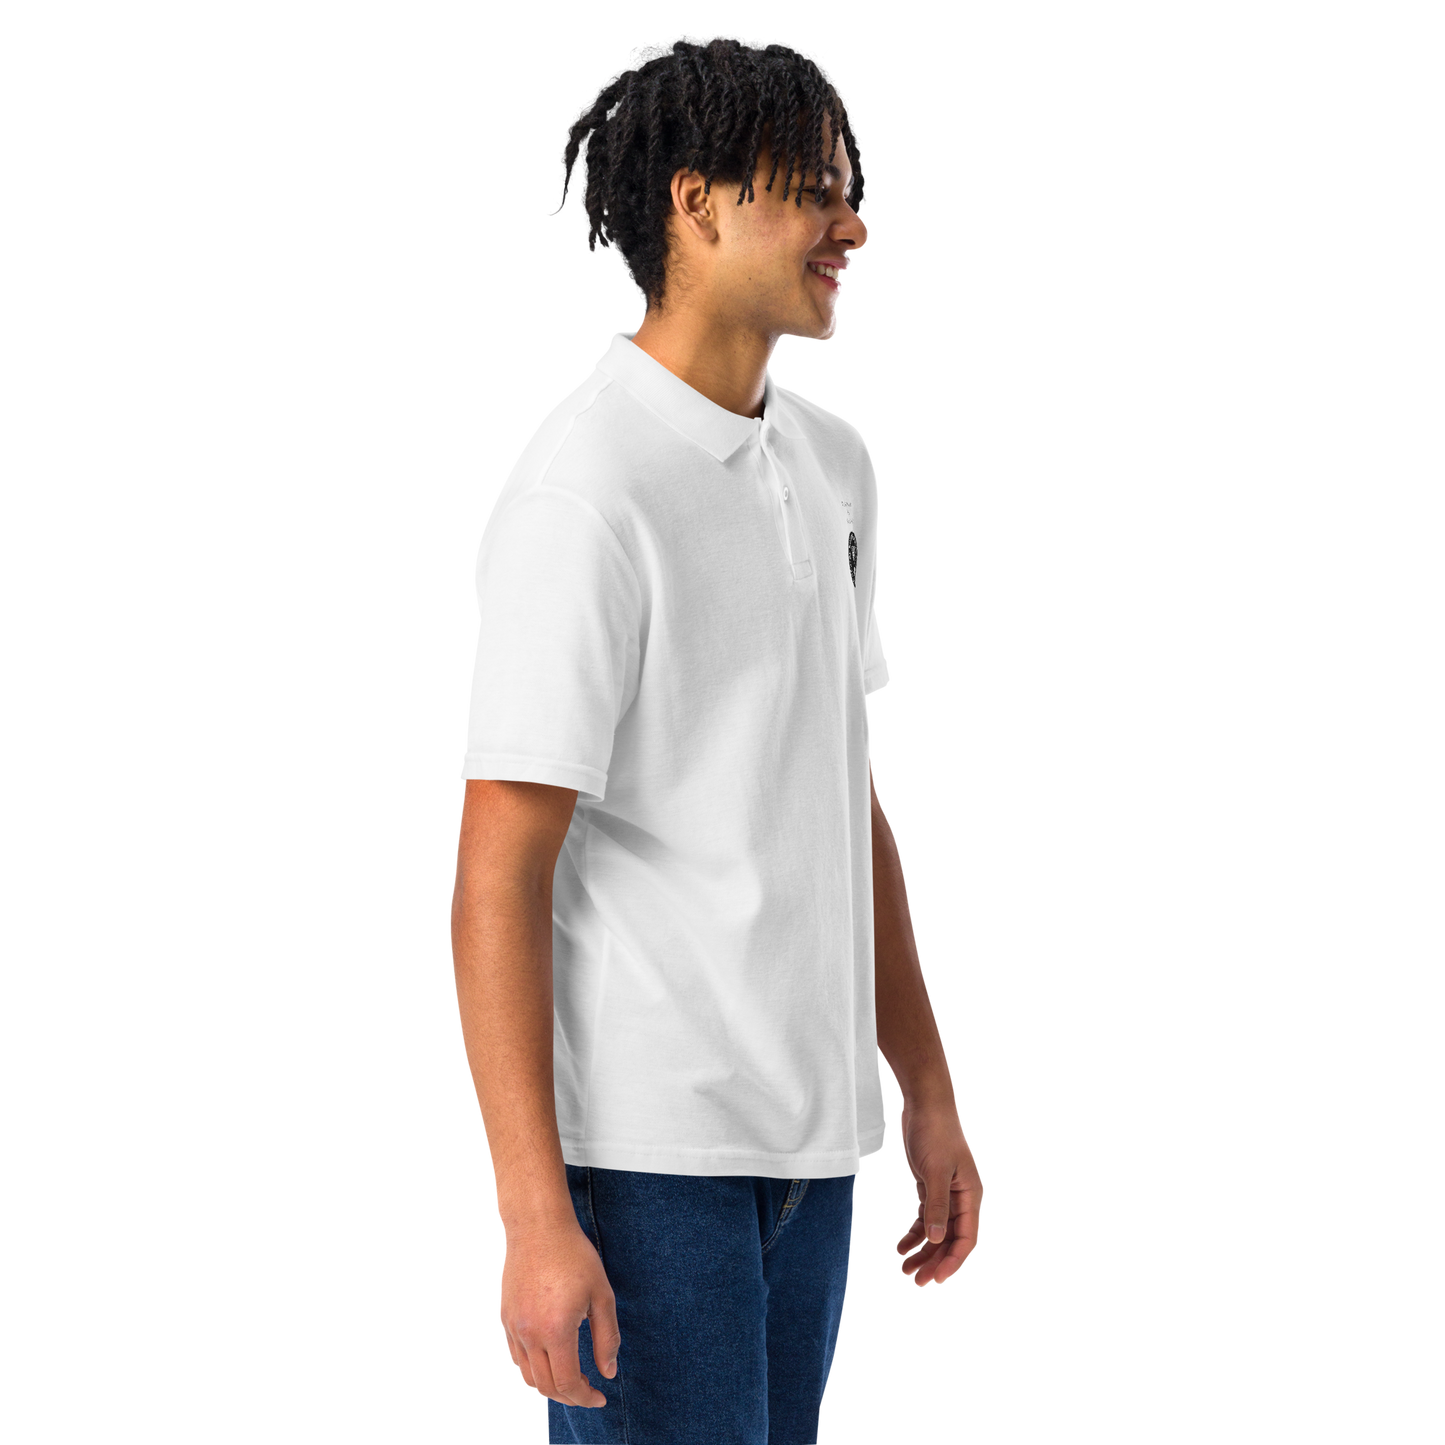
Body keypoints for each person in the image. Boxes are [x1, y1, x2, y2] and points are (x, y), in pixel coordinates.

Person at [448, 29, 984, 1443]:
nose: (851, 226)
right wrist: (533, 1217)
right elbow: (499, 865)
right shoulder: (586, 490)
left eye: (850, 190)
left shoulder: (836, 465)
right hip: (646, 1160)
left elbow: (844, 794)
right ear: (696, 204)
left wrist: (924, 1091)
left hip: (815, 1151)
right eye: (813, 191)